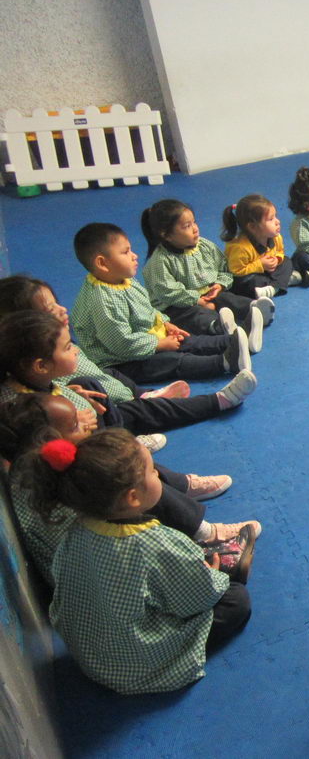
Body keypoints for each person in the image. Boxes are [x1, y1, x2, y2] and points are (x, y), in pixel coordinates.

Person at [30, 429, 253, 693]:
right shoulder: (155, 542)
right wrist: (214, 577)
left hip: (89, 655)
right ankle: (220, 566)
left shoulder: (78, 527)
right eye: (151, 471)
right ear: (133, 497)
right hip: (136, 664)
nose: (158, 475)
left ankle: (200, 566)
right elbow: (199, 599)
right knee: (236, 600)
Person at [0, 393, 258, 586]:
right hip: (109, 572)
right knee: (133, 475)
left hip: (95, 568)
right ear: (53, 445)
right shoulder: (68, 488)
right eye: (75, 425)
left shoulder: (35, 471)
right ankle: (204, 536)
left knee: (131, 467)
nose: (83, 419)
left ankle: (184, 497)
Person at [0, 275, 256, 433]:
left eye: (57, 301)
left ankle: (230, 342)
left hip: (116, 381)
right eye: (49, 309)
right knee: (165, 369)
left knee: (173, 347)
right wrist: (156, 344)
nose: (61, 310)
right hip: (117, 384)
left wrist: (162, 327)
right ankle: (219, 398)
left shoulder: (47, 356)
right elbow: (120, 346)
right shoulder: (43, 369)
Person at [69, 223, 253, 384]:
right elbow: (122, 344)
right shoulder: (100, 301)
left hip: (145, 339)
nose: (134, 256)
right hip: (120, 362)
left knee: (187, 340)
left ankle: (235, 340)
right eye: (125, 252)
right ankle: (224, 363)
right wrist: (158, 344)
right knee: (172, 361)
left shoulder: (124, 280)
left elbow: (147, 308)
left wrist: (165, 323)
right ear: (102, 263)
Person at [141, 199, 272, 351]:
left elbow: (224, 268)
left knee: (226, 297)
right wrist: (197, 300)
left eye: (194, 223)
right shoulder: (160, 262)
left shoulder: (205, 246)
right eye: (187, 226)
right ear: (167, 235)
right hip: (178, 305)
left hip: (207, 293)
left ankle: (254, 310)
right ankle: (223, 328)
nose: (195, 229)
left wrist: (220, 285)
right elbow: (168, 292)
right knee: (194, 315)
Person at [221, 194, 300, 298]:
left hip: (266, 271)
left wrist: (277, 259)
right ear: (253, 227)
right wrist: (260, 265)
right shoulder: (241, 248)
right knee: (248, 283)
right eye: (271, 219)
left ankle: (273, 286)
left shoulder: (276, 237)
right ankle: (280, 283)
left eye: (275, 216)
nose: (277, 222)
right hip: (247, 276)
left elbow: (280, 252)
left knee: (287, 262)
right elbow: (236, 271)